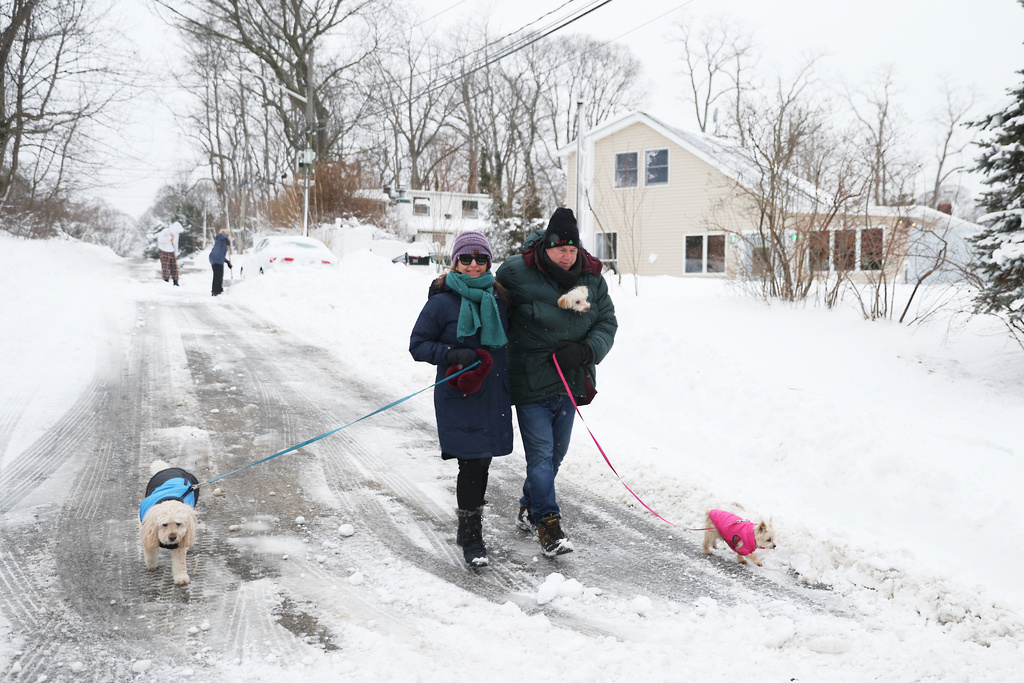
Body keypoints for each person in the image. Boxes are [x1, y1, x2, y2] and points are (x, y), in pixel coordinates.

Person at [495, 207, 617, 557]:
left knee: (556, 455)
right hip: (531, 381)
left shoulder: (592, 277)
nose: (567, 256)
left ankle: (527, 506)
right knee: (541, 456)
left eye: (572, 249)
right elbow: (490, 304)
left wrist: (584, 351)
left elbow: (607, 323)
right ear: (546, 247)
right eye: (560, 249)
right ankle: (548, 524)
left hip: (570, 381)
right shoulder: (517, 271)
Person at [409, 231, 513, 567]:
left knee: (482, 463)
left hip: (493, 393)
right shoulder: (441, 302)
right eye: (466, 258)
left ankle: (466, 527)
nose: (473, 265)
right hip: (460, 393)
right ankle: (471, 536)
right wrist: (453, 353)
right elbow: (418, 345)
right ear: (455, 261)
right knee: (471, 462)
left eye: (480, 258)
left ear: (488, 262)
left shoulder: (499, 299)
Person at [157, 221, 185, 286]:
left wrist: (176, 253)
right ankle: (166, 281)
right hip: (164, 251)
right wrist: (169, 238)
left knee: (174, 267)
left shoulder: (176, 234)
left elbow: (175, 244)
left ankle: (175, 281)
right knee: (165, 267)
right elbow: (160, 240)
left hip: (172, 251)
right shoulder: (165, 232)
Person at [209, 228, 232, 296]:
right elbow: (221, 234)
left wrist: (227, 262)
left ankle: (217, 290)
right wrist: (226, 238)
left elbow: (220, 254)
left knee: (217, 275)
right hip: (217, 258)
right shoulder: (222, 236)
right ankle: (216, 291)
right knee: (218, 275)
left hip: (215, 257)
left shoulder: (221, 241)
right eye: (228, 235)